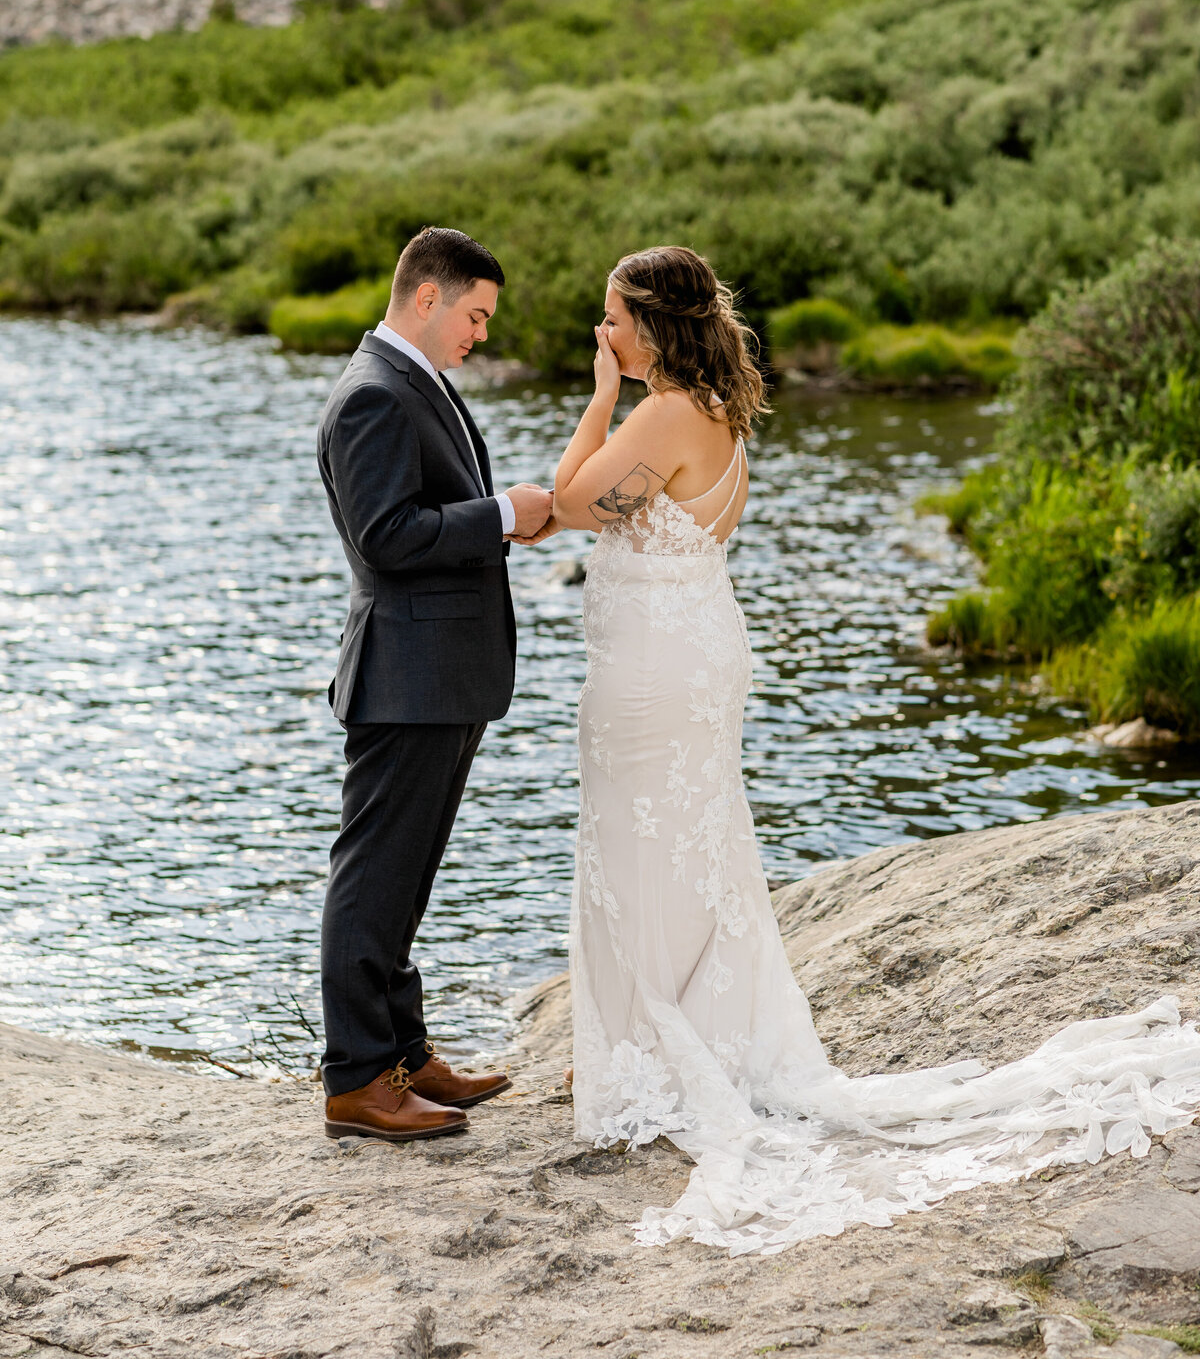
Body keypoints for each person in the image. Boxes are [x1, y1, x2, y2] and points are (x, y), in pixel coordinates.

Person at [551, 244, 1200, 1254]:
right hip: (696, 651)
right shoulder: (722, 416)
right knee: (694, 844)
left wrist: (595, 398)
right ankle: (654, 1040)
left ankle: (646, 1053)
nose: (606, 336)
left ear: (652, 326)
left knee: (643, 846)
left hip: (657, 675)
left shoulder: (665, 412)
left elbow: (570, 505)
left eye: (613, 322)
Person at [316, 227, 553, 1142]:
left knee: (407, 874)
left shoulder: (415, 382)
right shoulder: (372, 395)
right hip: (405, 674)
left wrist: (499, 521)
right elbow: (387, 535)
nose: (482, 333)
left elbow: (425, 517)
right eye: (477, 314)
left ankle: (404, 1054)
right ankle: (356, 1079)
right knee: (374, 873)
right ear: (427, 297)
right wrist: (498, 515)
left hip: (442, 674)